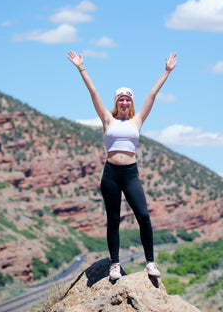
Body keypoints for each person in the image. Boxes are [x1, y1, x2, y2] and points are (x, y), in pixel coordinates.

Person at [67, 50, 178, 280]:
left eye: (128, 98)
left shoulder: (138, 120)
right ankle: (115, 264)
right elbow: (93, 92)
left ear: (132, 102)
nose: (125, 101)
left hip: (130, 173)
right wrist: (81, 68)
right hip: (110, 174)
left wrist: (166, 71)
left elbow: (153, 94)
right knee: (114, 220)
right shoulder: (107, 119)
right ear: (116, 102)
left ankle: (150, 262)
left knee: (144, 216)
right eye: (121, 98)